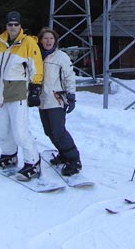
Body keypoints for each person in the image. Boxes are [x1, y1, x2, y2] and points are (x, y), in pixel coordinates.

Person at [0, 11, 43, 181]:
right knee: (3, 129)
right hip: (1, 93)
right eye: (10, 24)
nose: (13, 27)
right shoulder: (1, 42)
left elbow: (36, 66)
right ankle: (9, 155)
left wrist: (35, 89)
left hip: (18, 92)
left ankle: (33, 162)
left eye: (16, 24)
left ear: (20, 25)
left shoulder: (28, 42)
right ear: (6, 26)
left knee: (20, 131)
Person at [34, 27, 82, 176]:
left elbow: (69, 76)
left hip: (56, 99)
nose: (48, 41)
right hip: (42, 100)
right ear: (40, 40)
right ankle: (63, 153)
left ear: (55, 41)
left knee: (59, 131)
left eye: (51, 38)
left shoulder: (61, 57)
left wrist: (71, 95)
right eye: (45, 38)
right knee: (49, 131)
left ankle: (74, 160)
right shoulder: (36, 57)